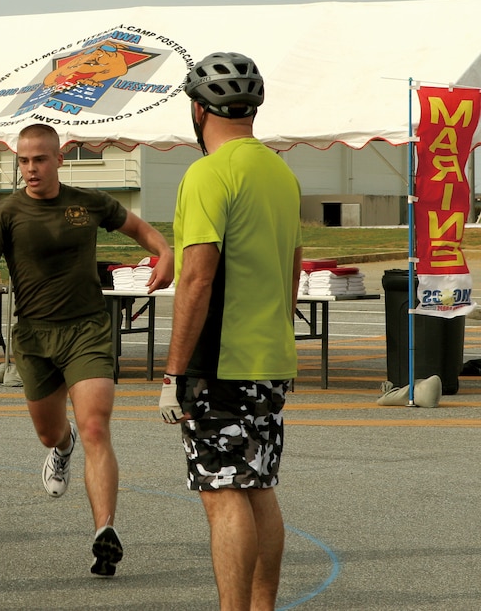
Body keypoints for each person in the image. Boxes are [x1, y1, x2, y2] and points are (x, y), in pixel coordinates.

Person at [0, 122, 174, 576]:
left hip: (88, 330)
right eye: (23, 161)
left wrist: (164, 253)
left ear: (59, 158)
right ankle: (62, 445)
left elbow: (141, 230)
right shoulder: (5, 214)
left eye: (39, 159)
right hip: (34, 338)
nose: (30, 169)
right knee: (52, 433)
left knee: (96, 426)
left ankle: (104, 532)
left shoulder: (87, 203)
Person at [158, 52, 302, 611]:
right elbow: (293, 268)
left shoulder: (207, 174)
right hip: (270, 355)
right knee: (260, 485)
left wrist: (173, 372)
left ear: (198, 110)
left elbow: (196, 277)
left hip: (218, 360)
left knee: (222, 494)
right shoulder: (280, 173)